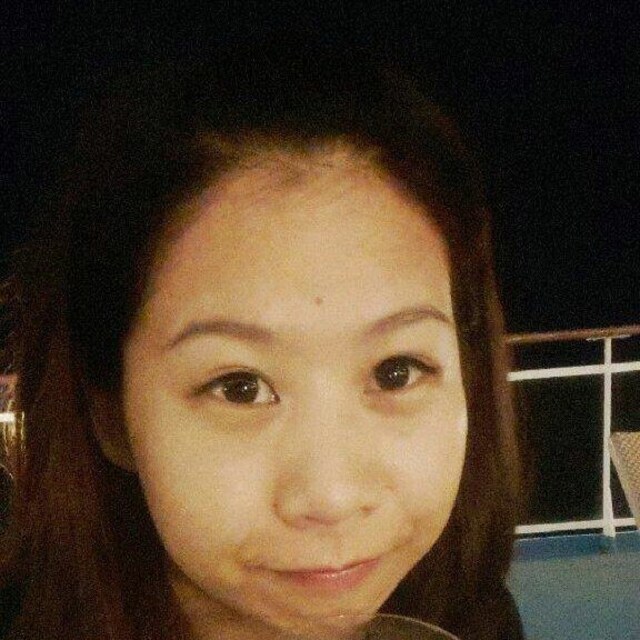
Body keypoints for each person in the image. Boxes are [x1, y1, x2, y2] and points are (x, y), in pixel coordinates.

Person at [0, 40, 523, 640]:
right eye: (239, 386)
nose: (332, 497)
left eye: (396, 371)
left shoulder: (473, 620)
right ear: (110, 414)